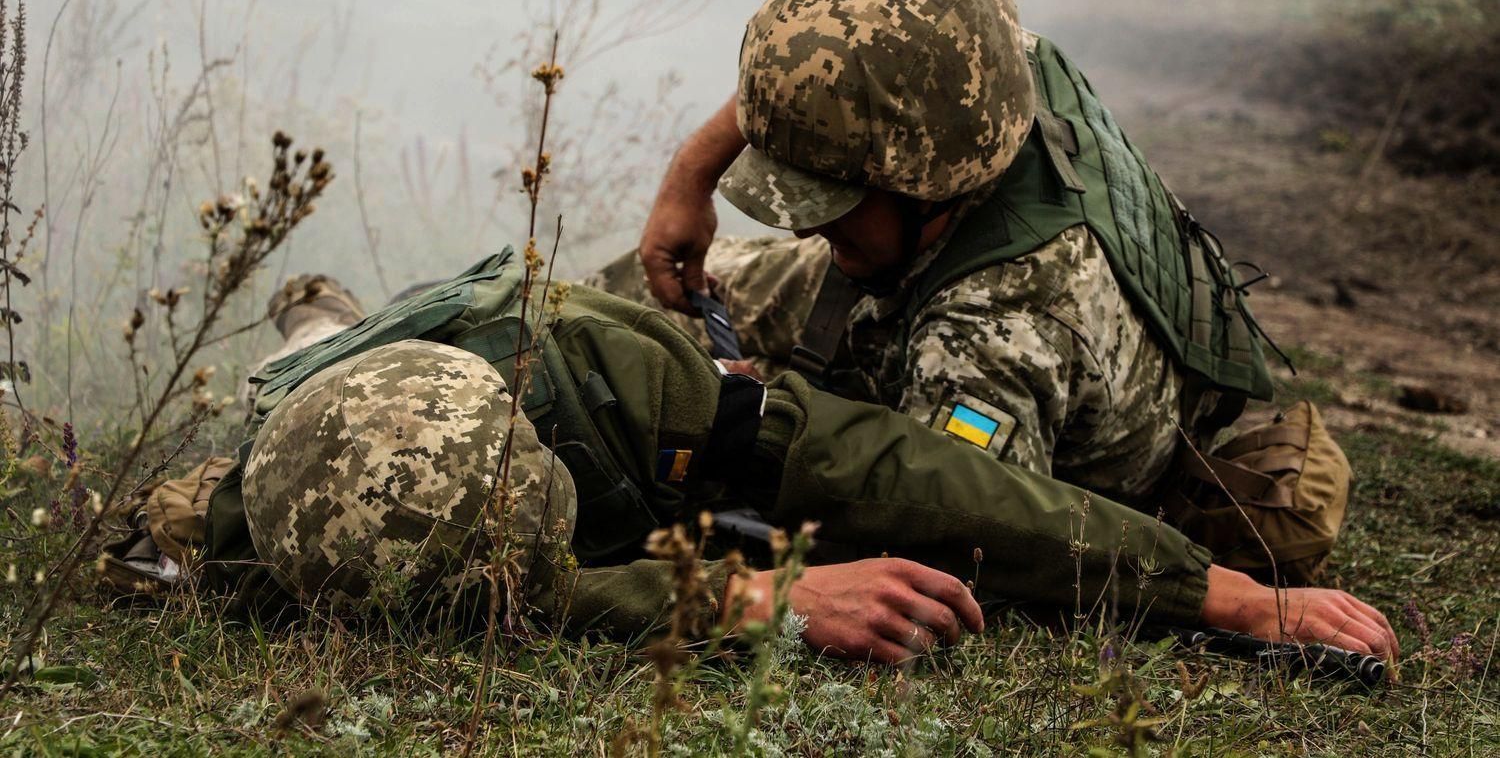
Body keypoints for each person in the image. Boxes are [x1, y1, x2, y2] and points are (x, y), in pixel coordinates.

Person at [192, 256, 1394, 668]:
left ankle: (326, 307)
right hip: (330, 400)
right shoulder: (248, 530)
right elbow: (534, 596)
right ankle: (318, 315)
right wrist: (747, 598)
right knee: (310, 350)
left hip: (529, 345)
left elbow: (902, 472)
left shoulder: (618, 375)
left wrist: (1214, 590)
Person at [599, 0, 1349, 582]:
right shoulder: (976, 71)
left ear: (923, 181)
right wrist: (690, 179)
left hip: (1009, 390)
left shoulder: (996, 333)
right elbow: (828, 78)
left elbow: (948, 537)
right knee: (627, 304)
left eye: (833, 203)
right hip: (920, 267)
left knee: (667, 403)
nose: (804, 232)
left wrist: (758, 435)